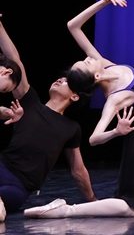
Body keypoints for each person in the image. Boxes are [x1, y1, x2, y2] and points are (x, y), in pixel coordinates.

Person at [25, 0, 134, 218]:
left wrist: (104, 2)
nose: (88, 58)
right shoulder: (115, 98)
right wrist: (117, 131)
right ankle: (66, 210)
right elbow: (93, 139)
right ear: (95, 77)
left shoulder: (106, 66)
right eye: (86, 63)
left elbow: (73, 26)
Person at [0, 19, 95, 221]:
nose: (60, 79)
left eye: (66, 81)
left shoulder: (71, 128)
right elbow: (14, 60)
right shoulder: (30, 101)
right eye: (61, 78)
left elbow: (78, 170)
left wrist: (93, 202)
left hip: (19, 185)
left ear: (75, 96)